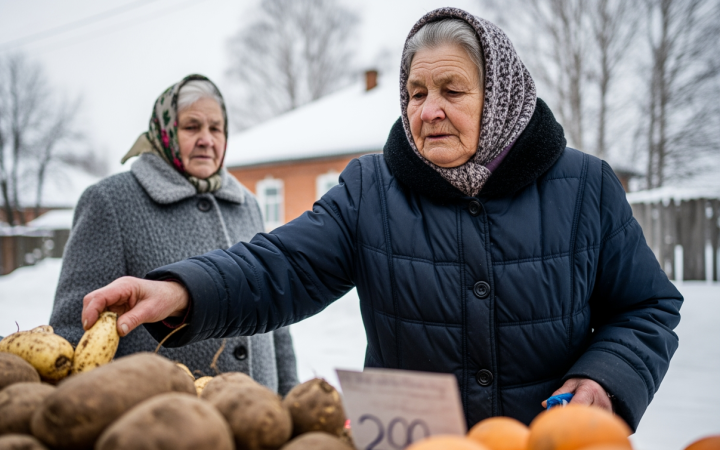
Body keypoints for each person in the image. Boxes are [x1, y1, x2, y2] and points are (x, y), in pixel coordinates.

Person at [81, 9, 682, 429]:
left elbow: (646, 306)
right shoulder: (372, 189)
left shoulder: (583, 186)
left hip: (549, 437)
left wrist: (606, 378)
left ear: (499, 96)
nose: (431, 110)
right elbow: (279, 265)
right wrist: (179, 289)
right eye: (416, 93)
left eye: (453, 89)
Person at [50, 74, 299, 395]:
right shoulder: (112, 201)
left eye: (216, 128)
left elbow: (274, 309)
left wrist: (291, 395)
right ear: (164, 131)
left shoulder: (246, 203)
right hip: (161, 420)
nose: (207, 139)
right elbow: (75, 326)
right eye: (192, 127)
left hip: (260, 415)